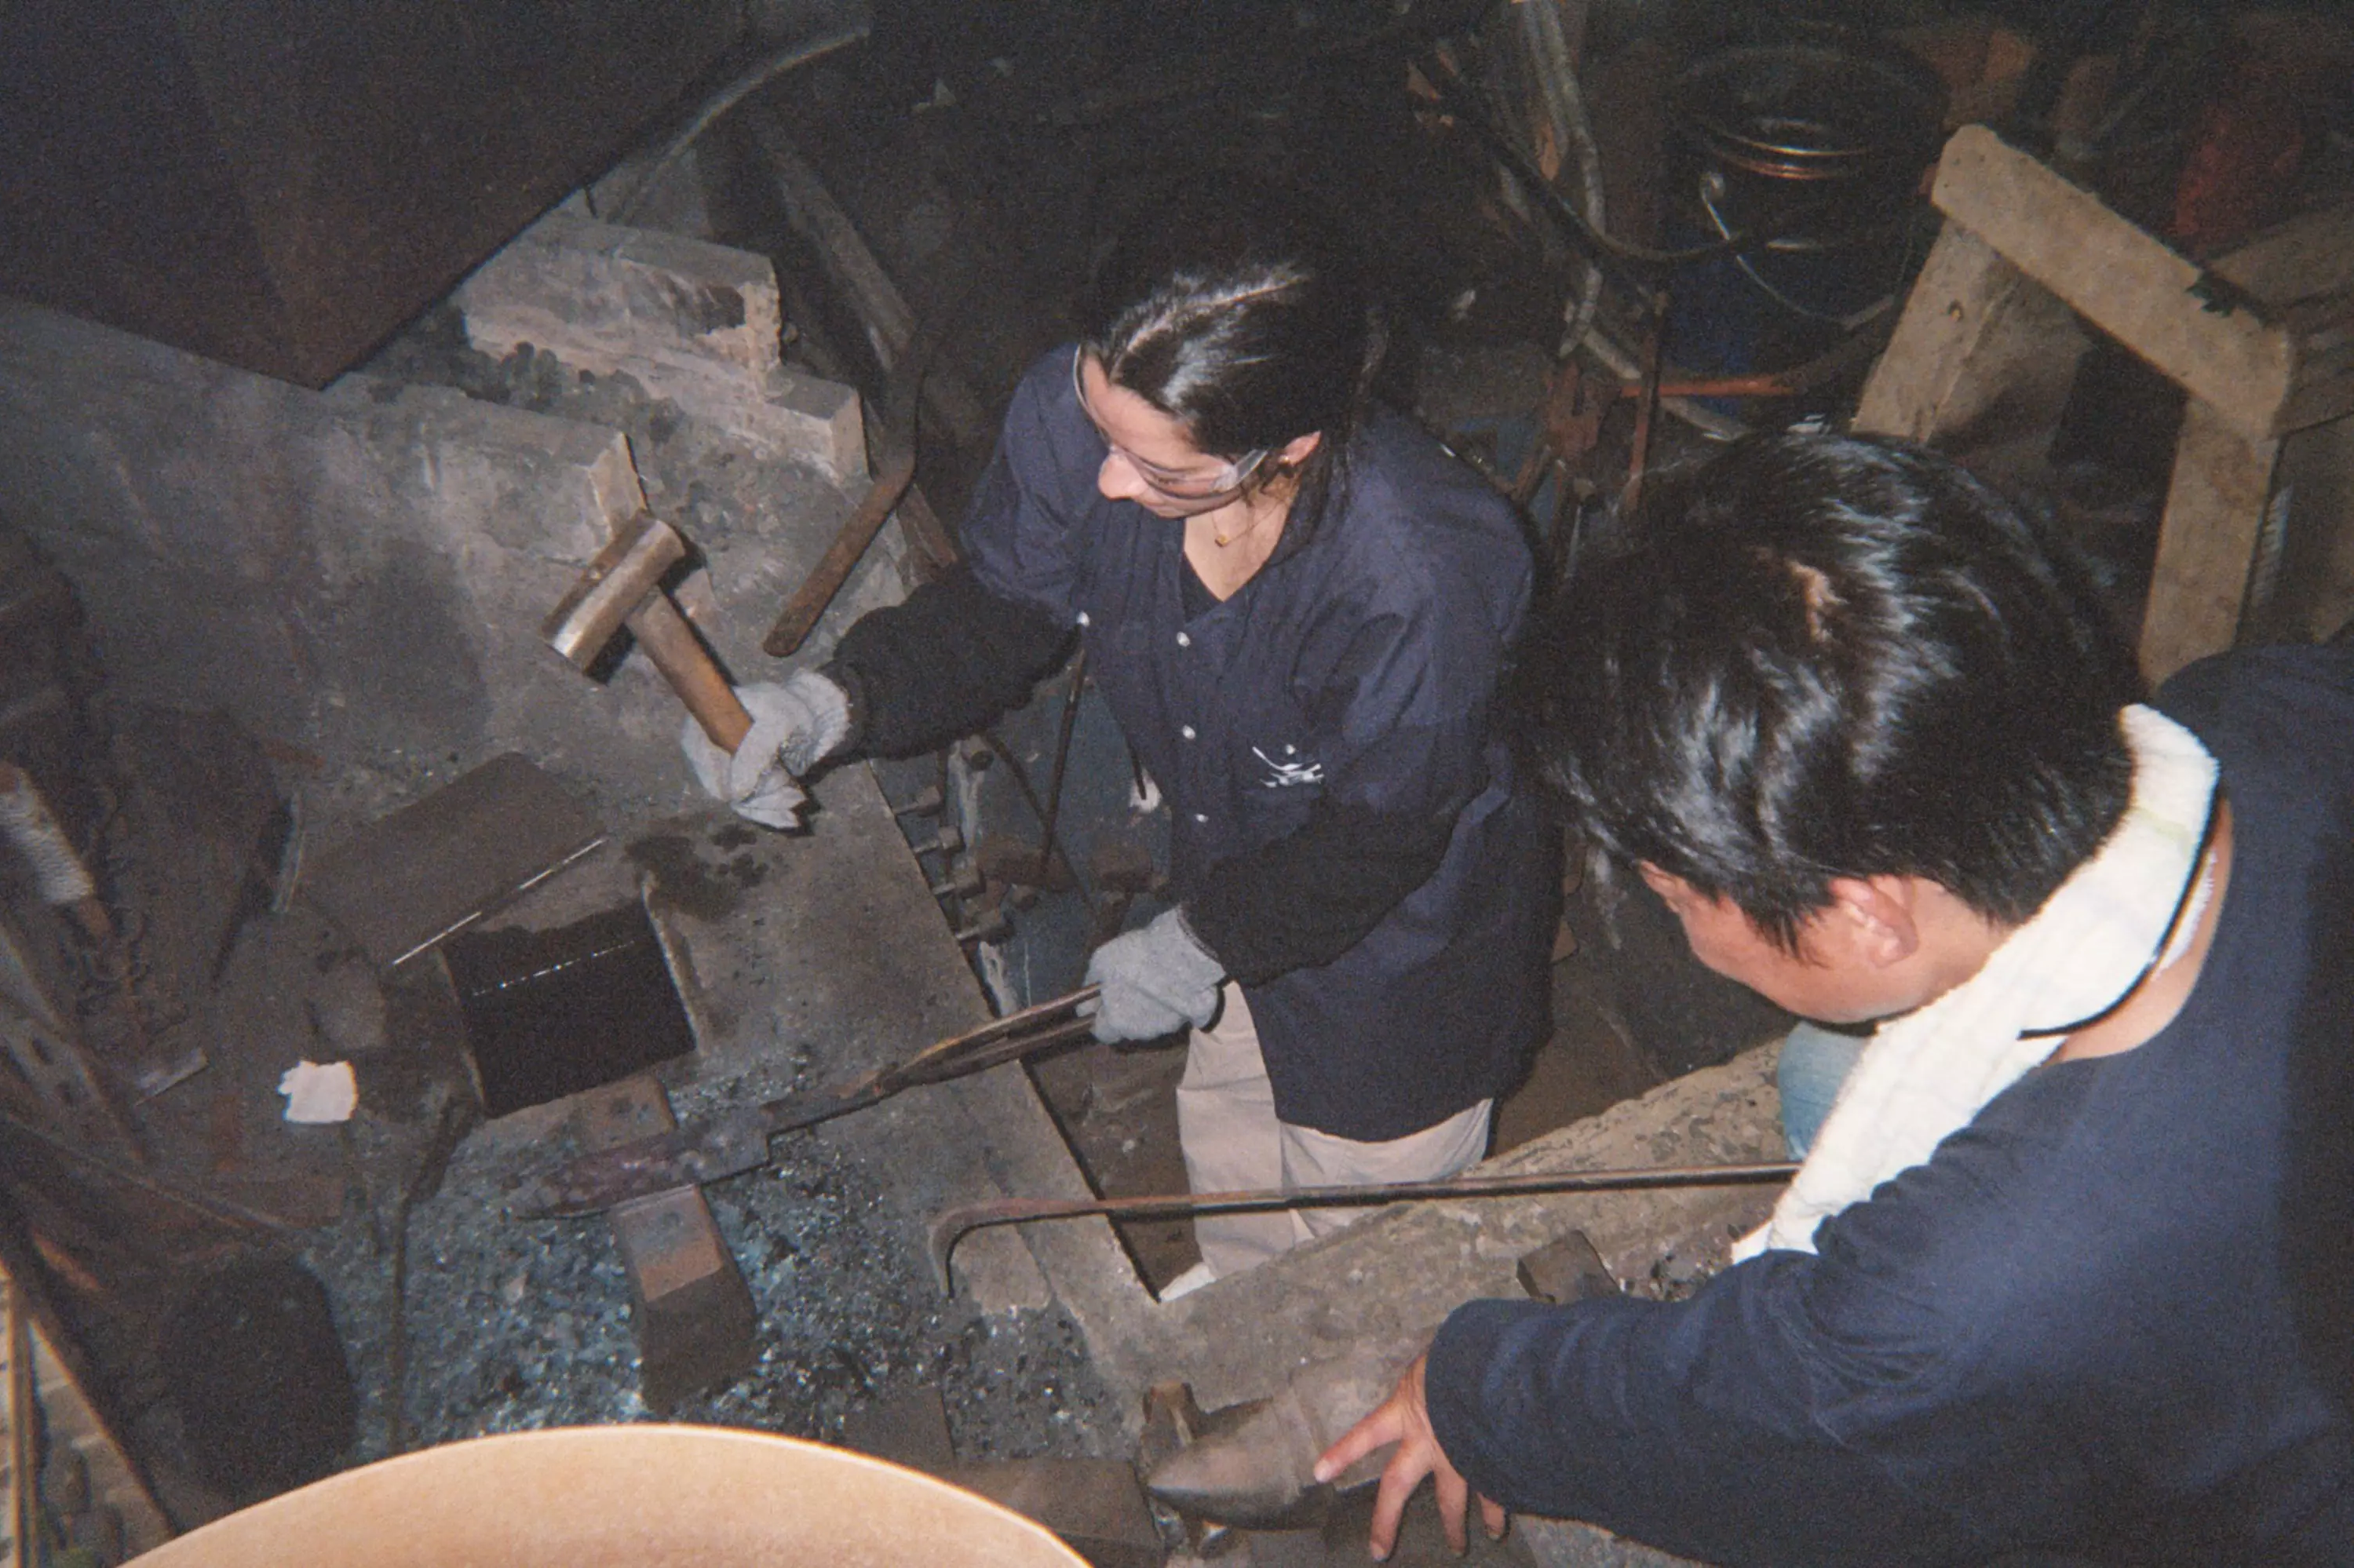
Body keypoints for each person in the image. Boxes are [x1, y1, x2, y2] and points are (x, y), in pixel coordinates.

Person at [1319, 432, 2354, 1564]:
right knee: (1822, 1071)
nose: (1676, 920)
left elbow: (1735, 1429)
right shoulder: (2270, 704)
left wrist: (1470, 1387)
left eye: (1672, 891)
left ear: (1867, 915)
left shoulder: (1958, 1298)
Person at [684, 178, 1557, 1290]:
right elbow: (1006, 604)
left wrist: (1199, 943)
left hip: (1394, 961)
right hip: (1232, 883)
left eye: (1158, 469)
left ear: (1284, 445)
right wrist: (833, 702)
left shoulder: (1419, 573)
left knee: (1365, 1235)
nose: (1106, 477)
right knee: (1235, 1123)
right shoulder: (1079, 408)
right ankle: (1245, 1293)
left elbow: (1377, 840)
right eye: (1104, 428)